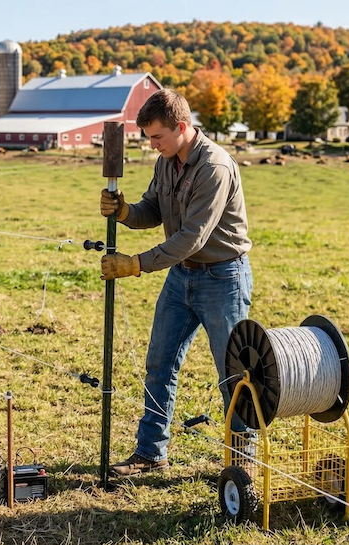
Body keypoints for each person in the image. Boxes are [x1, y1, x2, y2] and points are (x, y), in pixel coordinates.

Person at [100, 88, 253, 476]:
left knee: (233, 374)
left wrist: (135, 264)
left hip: (223, 278)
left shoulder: (215, 167)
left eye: (157, 137)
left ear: (182, 127)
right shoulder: (166, 162)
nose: (152, 145)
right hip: (181, 275)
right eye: (148, 137)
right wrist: (124, 211)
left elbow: (191, 238)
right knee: (160, 362)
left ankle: (242, 464)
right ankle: (151, 454)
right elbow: (152, 209)